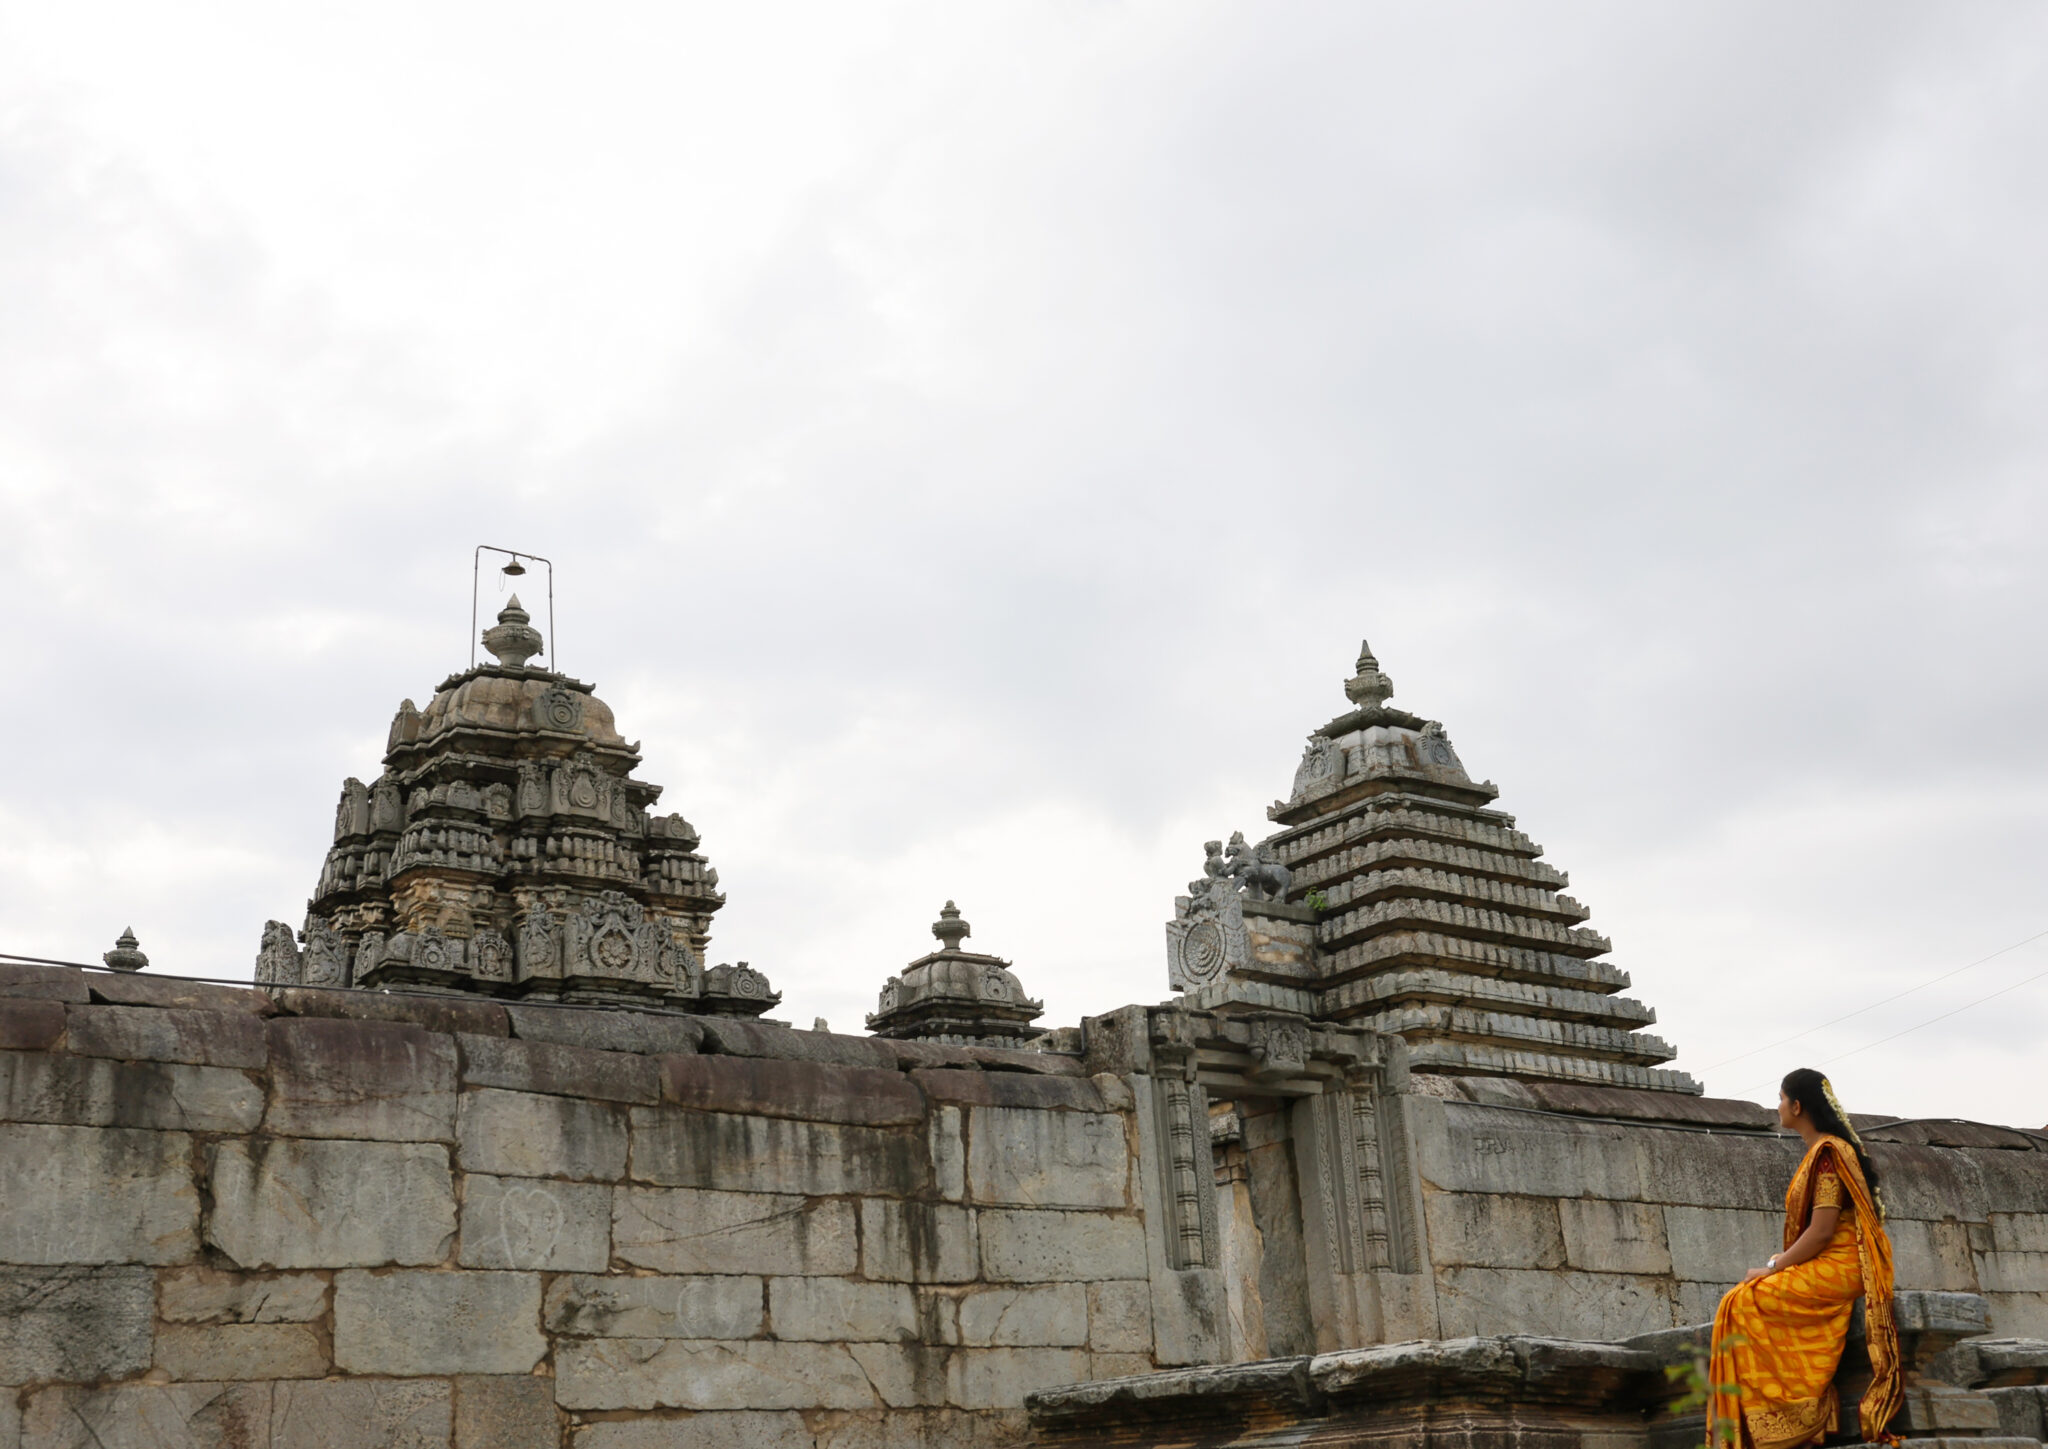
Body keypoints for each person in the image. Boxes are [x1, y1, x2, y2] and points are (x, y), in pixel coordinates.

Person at [1708, 1069, 1901, 1449]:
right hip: (1827, 1259)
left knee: (1744, 1301)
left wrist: (1774, 1266)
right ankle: (1774, 1416)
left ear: (1797, 1106)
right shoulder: (1821, 1152)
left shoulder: (1828, 1154)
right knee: (1738, 1300)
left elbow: (1823, 1231)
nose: (1777, 1106)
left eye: (1781, 1098)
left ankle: (1792, 1414)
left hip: (1844, 1265)